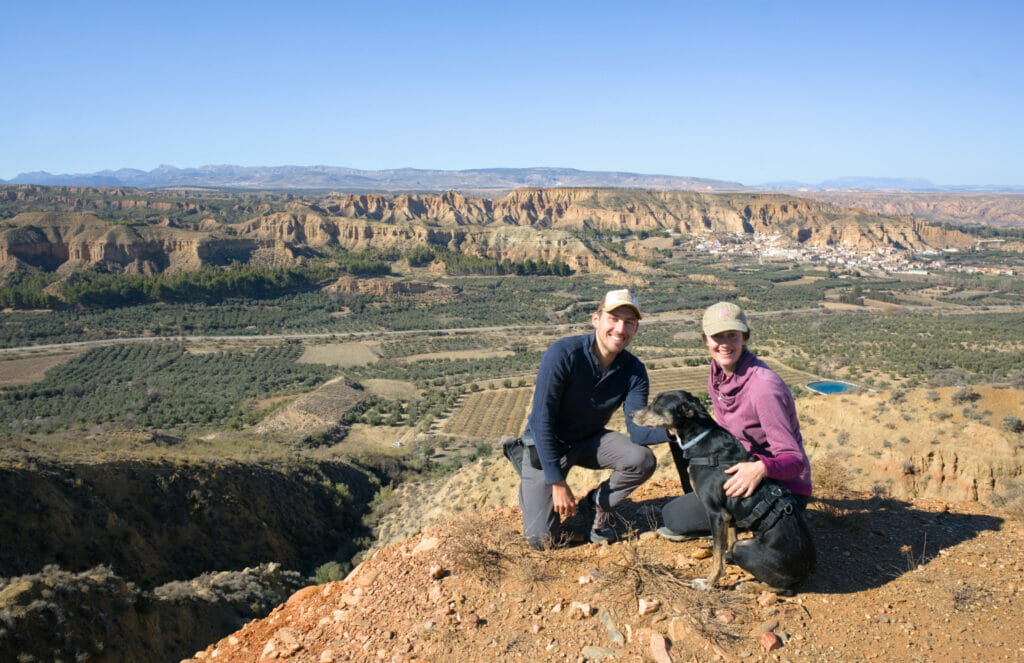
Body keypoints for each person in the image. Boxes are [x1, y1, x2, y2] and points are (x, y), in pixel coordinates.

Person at [519, 289, 669, 549]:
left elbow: (638, 431)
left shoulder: (634, 371)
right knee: (540, 540)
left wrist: (677, 430)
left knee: (641, 459)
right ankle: (538, 482)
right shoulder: (563, 354)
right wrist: (557, 481)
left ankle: (596, 504)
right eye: (613, 318)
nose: (620, 329)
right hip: (548, 446)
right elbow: (542, 420)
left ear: (636, 328)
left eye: (629, 322)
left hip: (589, 440)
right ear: (596, 319)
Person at [659, 302, 812, 540]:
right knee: (678, 437)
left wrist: (761, 468)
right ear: (705, 339)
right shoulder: (718, 373)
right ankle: (707, 507)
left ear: (745, 337)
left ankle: (731, 522)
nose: (725, 344)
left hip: (780, 487)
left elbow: (794, 461)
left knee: (672, 518)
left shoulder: (763, 388)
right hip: (741, 466)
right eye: (717, 336)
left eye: (733, 335)